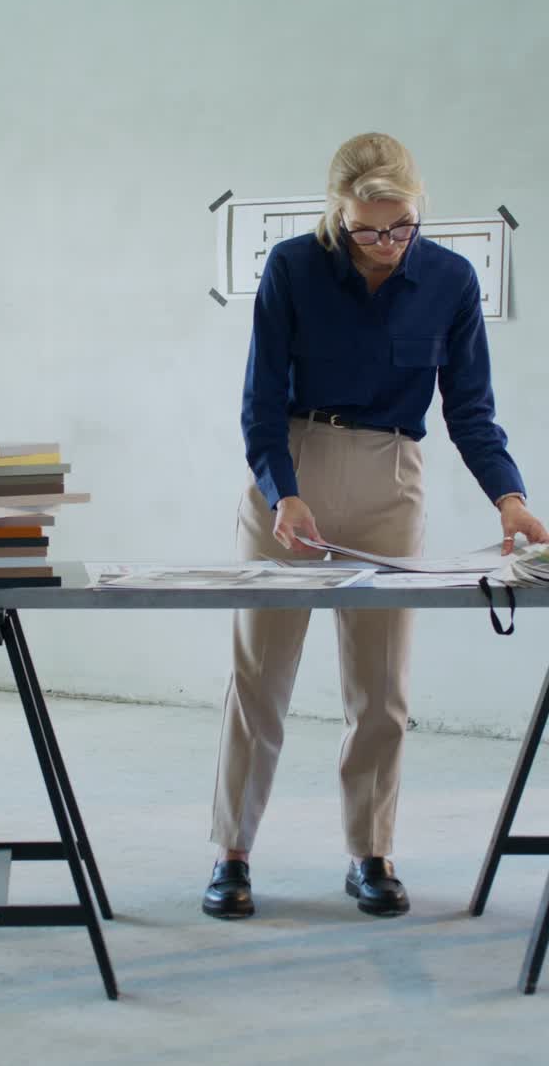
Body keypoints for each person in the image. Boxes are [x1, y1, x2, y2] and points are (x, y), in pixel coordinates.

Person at [203, 132, 548, 920]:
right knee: (259, 677)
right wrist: (283, 493)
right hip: (291, 472)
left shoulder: (450, 281)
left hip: (393, 480)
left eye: (402, 227)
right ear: (338, 213)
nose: (386, 245)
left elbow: (469, 409)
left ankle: (372, 852)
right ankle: (231, 853)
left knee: (383, 687)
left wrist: (510, 498)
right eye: (368, 229)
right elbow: (259, 401)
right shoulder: (293, 268)